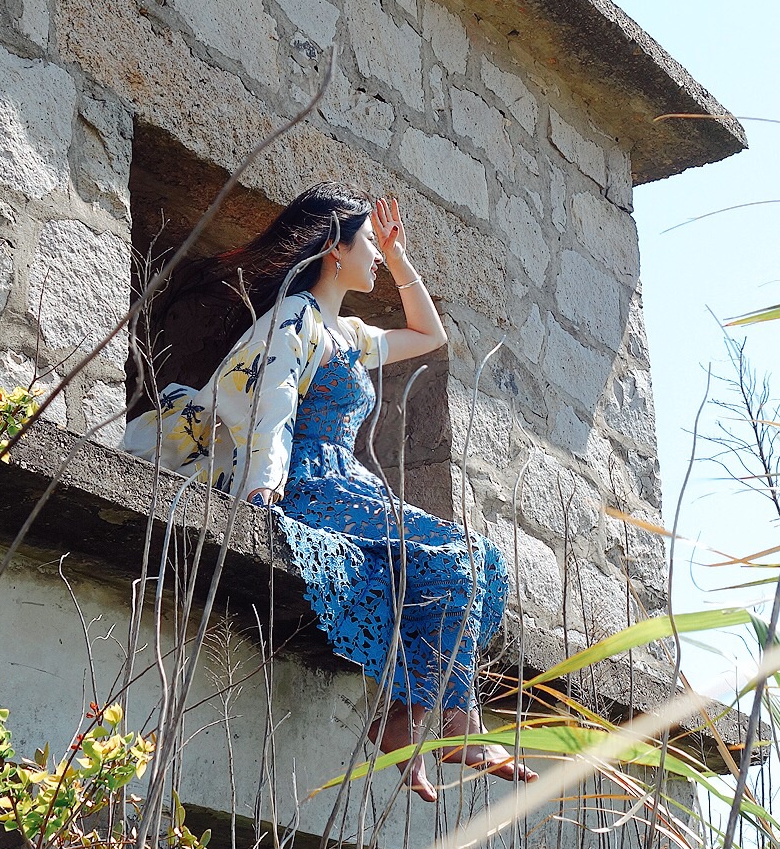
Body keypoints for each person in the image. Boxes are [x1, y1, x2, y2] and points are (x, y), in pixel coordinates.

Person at [123, 182, 536, 802]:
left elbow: (430, 337)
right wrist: (262, 495)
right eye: (370, 242)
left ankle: (414, 718)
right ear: (335, 251)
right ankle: (443, 722)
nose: (376, 254)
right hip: (309, 483)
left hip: (347, 483)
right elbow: (271, 409)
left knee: (475, 561)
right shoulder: (293, 322)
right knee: (457, 559)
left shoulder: (347, 332)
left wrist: (401, 260)